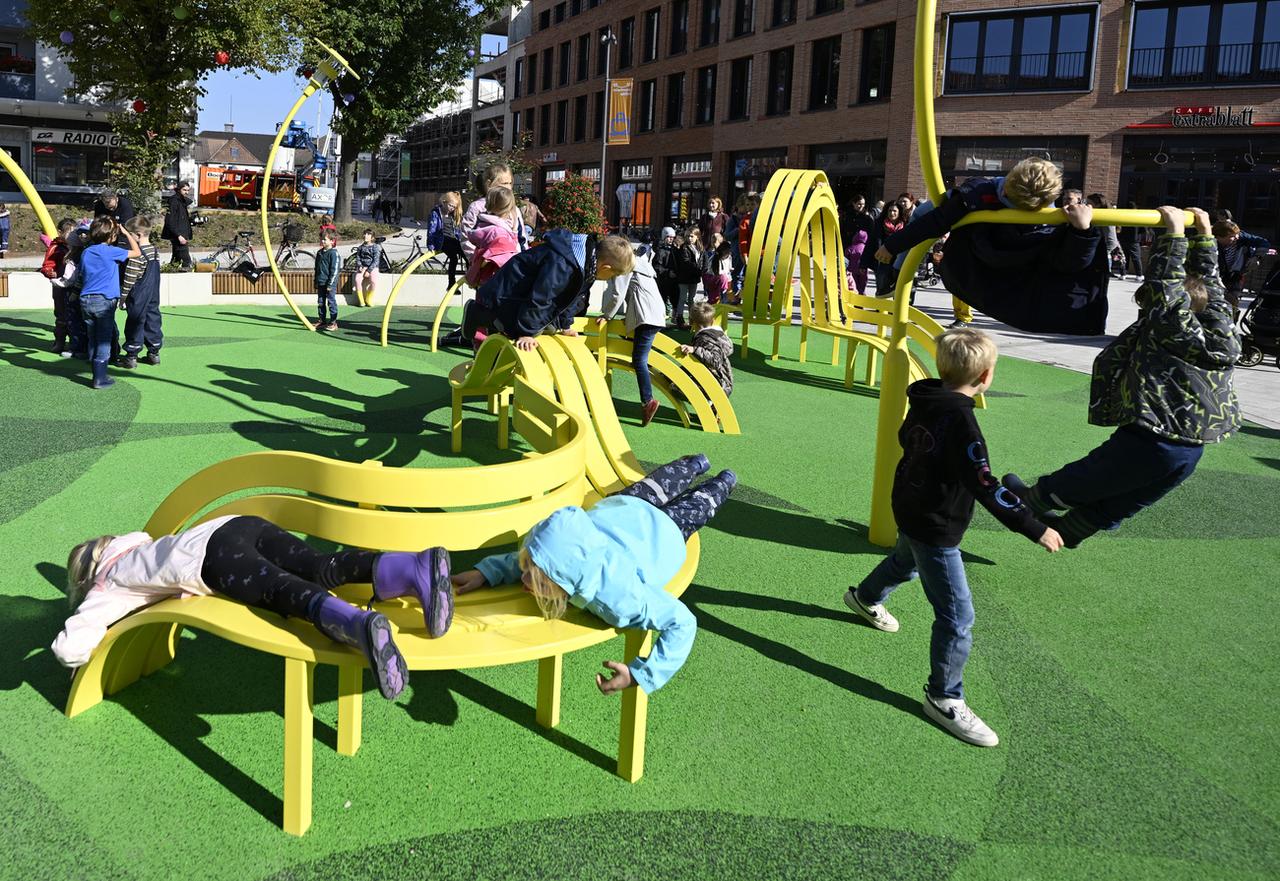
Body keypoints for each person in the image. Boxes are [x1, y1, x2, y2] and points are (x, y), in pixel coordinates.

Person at [844, 327, 1062, 747]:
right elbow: (985, 483)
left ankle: (866, 598)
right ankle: (944, 695)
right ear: (985, 377)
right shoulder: (963, 423)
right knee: (957, 617)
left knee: (904, 562)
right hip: (936, 523)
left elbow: (906, 440)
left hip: (908, 504)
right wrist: (1033, 526)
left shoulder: (923, 398)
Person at [1005, 207, 1241, 548]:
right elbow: (1213, 286)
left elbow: (1165, 288)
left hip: (1154, 436)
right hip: (1193, 448)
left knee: (1089, 475)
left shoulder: (1170, 327)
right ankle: (1073, 530)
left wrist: (1173, 237)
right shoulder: (1222, 328)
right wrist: (1204, 236)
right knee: (1127, 500)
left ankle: (1033, 500)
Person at [52, 515, 454, 701]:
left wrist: (76, 662)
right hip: (238, 524)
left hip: (214, 558)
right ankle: (412, 567)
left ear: (86, 574)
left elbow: (75, 641)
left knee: (280, 590)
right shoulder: (141, 544)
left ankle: (354, 624)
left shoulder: (107, 584)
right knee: (319, 565)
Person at [451, 456, 736, 694]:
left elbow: (683, 622)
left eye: (536, 579)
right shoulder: (558, 565)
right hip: (623, 509)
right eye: (528, 570)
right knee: (658, 483)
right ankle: (695, 465)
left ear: (567, 580)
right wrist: (484, 573)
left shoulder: (622, 601)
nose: (524, 577)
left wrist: (642, 674)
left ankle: (719, 478)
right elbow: (532, 561)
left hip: (663, 532)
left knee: (698, 502)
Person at [462, 228, 609, 350]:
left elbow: (572, 299)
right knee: (508, 327)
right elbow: (542, 296)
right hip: (508, 293)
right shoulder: (563, 264)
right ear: (606, 267)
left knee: (544, 327)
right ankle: (476, 313)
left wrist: (565, 325)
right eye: (615, 274)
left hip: (520, 296)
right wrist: (526, 332)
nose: (612, 278)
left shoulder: (587, 268)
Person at [598, 236, 664, 426]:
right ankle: (648, 396)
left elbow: (618, 294)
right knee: (636, 352)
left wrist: (607, 315)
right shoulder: (642, 264)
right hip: (655, 314)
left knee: (638, 360)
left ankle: (647, 400)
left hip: (646, 317)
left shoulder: (626, 267)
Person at [79, 217, 141, 389]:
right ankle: (99, 378)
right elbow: (136, 252)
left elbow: (82, 273)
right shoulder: (111, 251)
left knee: (92, 335)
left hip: (86, 299)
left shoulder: (87, 252)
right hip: (104, 299)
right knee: (104, 339)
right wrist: (127, 234)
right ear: (112, 236)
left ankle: (94, 368)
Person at [119, 216, 163, 369]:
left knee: (135, 322)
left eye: (129, 236)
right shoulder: (155, 251)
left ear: (137, 235)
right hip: (153, 293)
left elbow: (130, 278)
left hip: (137, 294)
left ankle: (132, 355)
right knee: (153, 320)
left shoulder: (137, 255)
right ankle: (154, 352)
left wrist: (122, 297)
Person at [462, 162, 526, 259]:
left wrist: (524, 259)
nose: (508, 187)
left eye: (510, 183)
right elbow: (466, 235)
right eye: (504, 183)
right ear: (489, 184)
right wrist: (474, 258)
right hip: (484, 264)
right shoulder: (477, 207)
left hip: (511, 263)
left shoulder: (514, 209)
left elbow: (521, 237)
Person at [465, 186, 523, 288]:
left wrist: (513, 231)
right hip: (497, 279)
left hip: (484, 277)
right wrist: (513, 232)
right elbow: (510, 256)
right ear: (508, 210)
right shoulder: (499, 233)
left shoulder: (484, 225)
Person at [1212, 219, 1270, 316]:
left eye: (1237, 234)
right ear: (1219, 237)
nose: (1236, 237)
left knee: (1233, 301)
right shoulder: (1211, 244)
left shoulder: (1242, 238)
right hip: (1215, 276)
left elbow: (1264, 243)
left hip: (1235, 275)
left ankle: (1232, 322)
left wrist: (1257, 257)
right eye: (1231, 236)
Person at [40, 218, 79, 355]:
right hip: (60, 286)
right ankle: (60, 341)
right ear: (60, 232)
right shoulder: (56, 247)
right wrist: (52, 273)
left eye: (74, 233)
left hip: (75, 285)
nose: (71, 236)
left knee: (75, 314)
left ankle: (75, 342)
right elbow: (47, 265)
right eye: (68, 233)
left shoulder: (78, 246)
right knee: (61, 315)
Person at [679, 302, 734, 397]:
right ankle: (711, 404)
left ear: (691, 322)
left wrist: (695, 349)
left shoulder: (705, 338)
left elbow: (716, 360)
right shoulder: (718, 335)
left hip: (717, 384)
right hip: (724, 381)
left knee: (677, 387)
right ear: (713, 321)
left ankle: (710, 402)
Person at [431, 192, 466, 288]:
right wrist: (431, 245)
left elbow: (457, 231)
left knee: (465, 253)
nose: (452, 208)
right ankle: (451, 283)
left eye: (454, 207)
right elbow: (432, 230)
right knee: (454, 258)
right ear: (444, 202)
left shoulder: (452, 215)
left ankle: (471, 275)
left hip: (453, 240)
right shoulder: (436, 213)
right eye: (450, 205)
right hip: (442, 240)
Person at [1086, 193, 1124, 278]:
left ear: (1098, 204)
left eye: (1089, 203)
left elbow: (1112, 241)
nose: (1086, 205)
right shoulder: (1096, 215)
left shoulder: (1106, 217)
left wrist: (1101, 252)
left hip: (1100, 259)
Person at [673, 228, 703, 328]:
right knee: (682, 298)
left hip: (694, 277)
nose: (689, 238)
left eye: (692, 236)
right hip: (684, 277)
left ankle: (692, 318)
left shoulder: (700, 248)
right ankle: (680, 318)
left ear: (697, 236)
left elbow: (703, 259)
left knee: (692, 298)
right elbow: (686, 263)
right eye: (688, 236)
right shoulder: (684, 247)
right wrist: (699, 270)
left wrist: (703, 270)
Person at [161, 181, 194, 270]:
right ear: (179, 190)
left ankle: (170, 270)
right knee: (185, 259)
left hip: (182, 233)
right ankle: (185, 273)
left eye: (188, 190)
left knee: (176, 257)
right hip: (178, 234)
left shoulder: (182, 202)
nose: (186, 192)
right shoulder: (174, 201)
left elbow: (182, 219)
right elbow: (169, 220)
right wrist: (178, 235)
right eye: (184, 190)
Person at [872, 203, 904, 296]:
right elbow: (872, 243)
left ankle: (894, 310)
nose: (892, 213)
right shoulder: (879, 224)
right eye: (890, 210)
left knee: (897, 289)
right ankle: (880, 309)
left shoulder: (905, 225)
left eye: (894, 211)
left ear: (899, 213)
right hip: (883, 261)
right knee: (881, 288)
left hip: (898, 260)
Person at [651, 226, 680, 321]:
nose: (671, 239)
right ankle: (660, 318)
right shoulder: (660, 251)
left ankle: (675, 316)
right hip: (663, 280)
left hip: (674, 279)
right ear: (664, 237)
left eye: (673, 237)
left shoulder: (675, 250)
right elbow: (657, 266)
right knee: (662, 298)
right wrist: (668, 272)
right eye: (669, 237)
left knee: (676, 298)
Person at [314, 229, 341, 331]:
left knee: (331, 302)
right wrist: (316, 281)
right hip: (321, 281)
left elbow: (334, 270)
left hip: (330, 283)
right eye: (321, 239)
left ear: (332, 241)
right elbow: (316, 268)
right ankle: (322, 320)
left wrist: (330, 284)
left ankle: (333, 322)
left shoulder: (334, 254)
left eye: (325, 240)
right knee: (320, 302)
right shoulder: (319, 253)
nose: (322, 242)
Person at [353, 229, 383, 308]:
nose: (366, 236)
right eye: (365, 234)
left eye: (368, 234)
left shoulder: (375, 247)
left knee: (373, 281)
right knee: (357, 280)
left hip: (372, 267)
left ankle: (369, 299)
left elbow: (376, 260)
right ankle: (361, 301)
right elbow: (358, 258)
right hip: (362, 267)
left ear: (372, 237)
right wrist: (360, 266)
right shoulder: (360, 247)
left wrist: (369, 271)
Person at [701, 233, 732, 306]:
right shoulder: (709, 253)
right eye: (712, 241)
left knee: (723, 280)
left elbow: (728, 268)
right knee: (713, 299)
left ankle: (723, 300)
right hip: (711, 277)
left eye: (715, 241)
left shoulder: (726, 253)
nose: (714, 243)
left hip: (721, 277)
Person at [1118, 201, 1144, 280]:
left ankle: (1123, 274)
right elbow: (1143, 229)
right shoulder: (1138, 217)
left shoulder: (1123, 216)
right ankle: (1139, 275)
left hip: (1123, 239)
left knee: (1123, 257)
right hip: (1134, 240)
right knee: (1136, 258)